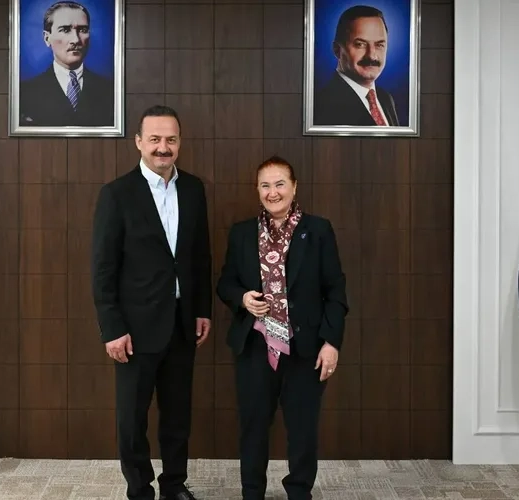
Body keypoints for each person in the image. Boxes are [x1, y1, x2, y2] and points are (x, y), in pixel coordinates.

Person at [90, 105, 212, 500]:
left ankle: (174, 485)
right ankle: (139, 489)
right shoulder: (116, 194)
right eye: (155, 139)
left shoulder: (193, 189)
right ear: (139, 142)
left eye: (171, 139)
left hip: (182, 323)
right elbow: (103, 269)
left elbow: (200, 256)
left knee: (177, 416)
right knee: (132, 420)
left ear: (180, 143)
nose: (163, 147)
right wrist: (112, 328)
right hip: (133, 329)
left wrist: (202, 310)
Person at [216, 155, 348, 500]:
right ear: (257, 189)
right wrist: (243, 298)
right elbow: (225, 283)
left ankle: (299, 492)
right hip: (255, 346)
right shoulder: (243, 233)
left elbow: (335, 291)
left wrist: (331, 343)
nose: (272, 192)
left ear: (294, 187)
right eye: (265, 185)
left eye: (279, 184)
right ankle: (252, 492)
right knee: (253, 427)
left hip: (305, 348)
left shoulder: (318, 230)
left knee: (302, 429)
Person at [19, 1, 114, 127]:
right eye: (65, 30)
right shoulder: (25, 93)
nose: (76, 39)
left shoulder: (111, 91)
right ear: (47, 38)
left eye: (83, 30)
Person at [313, 5, 399, 126]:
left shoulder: (385, 98)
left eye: (379, 45)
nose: (372, 56)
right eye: (360, 44)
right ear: (337, 50)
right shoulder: (322, 105)